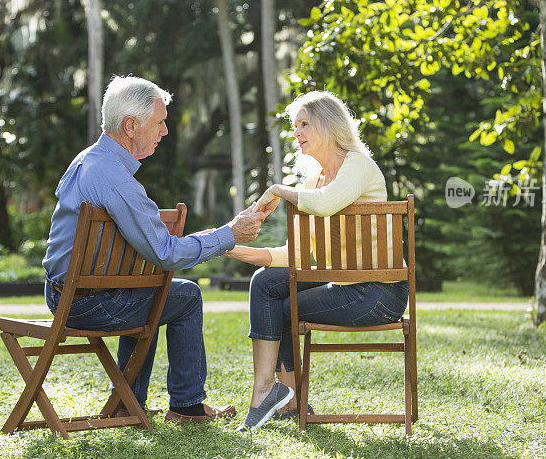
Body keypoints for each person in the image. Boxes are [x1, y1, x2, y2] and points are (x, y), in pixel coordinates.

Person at [42, 75, 266, 424]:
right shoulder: (115, 179)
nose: (165, 132)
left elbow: (159, 247)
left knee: (150, 293)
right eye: (159, 122)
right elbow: (166, 254)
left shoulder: (89, 161)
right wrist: (230, 235)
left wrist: (225, 232)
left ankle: (128, 402)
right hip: (88, 305)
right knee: (185, 296)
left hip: (65, 295)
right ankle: (186, 406)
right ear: (131, 126)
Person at [225, 91, 410, 431]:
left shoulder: (359, 166)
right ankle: (272, 394)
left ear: (329, 124)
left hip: (378, 293)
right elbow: (294, 257)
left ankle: (287, 396)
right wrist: (228, 246)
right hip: (341, 281)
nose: (296, 133)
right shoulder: (313, 183)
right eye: (294, 126)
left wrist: (278, 190)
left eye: (304, 124)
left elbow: (328, 203)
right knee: (265, 283)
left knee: (285, 308)